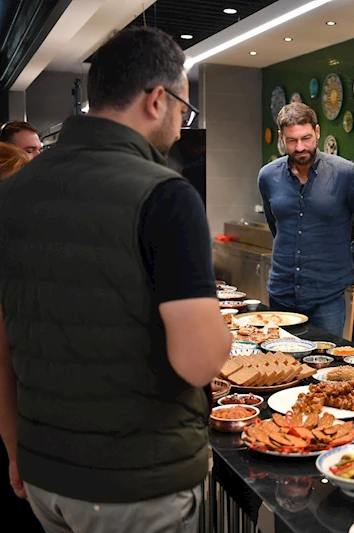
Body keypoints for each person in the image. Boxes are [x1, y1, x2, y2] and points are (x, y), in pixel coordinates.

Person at [0, 27, 230, 533]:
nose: (180, 125)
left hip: (44, 474)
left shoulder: (15, 191)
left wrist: (14, 446)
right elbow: (198, 362)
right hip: (136, 483)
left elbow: (6, 337)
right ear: (156, 100)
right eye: (183, 110)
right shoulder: (167, 196)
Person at [258, 103, 354, 336]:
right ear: (281, 138)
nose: (300, 147)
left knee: (326, 365)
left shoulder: (346, 174)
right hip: (281, 293)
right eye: (292, 140)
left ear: (317, 131)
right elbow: (276, 225)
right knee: (283, 366)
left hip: (327, 297)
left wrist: (348, 260)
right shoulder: (267, 176)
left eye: (306, 138)